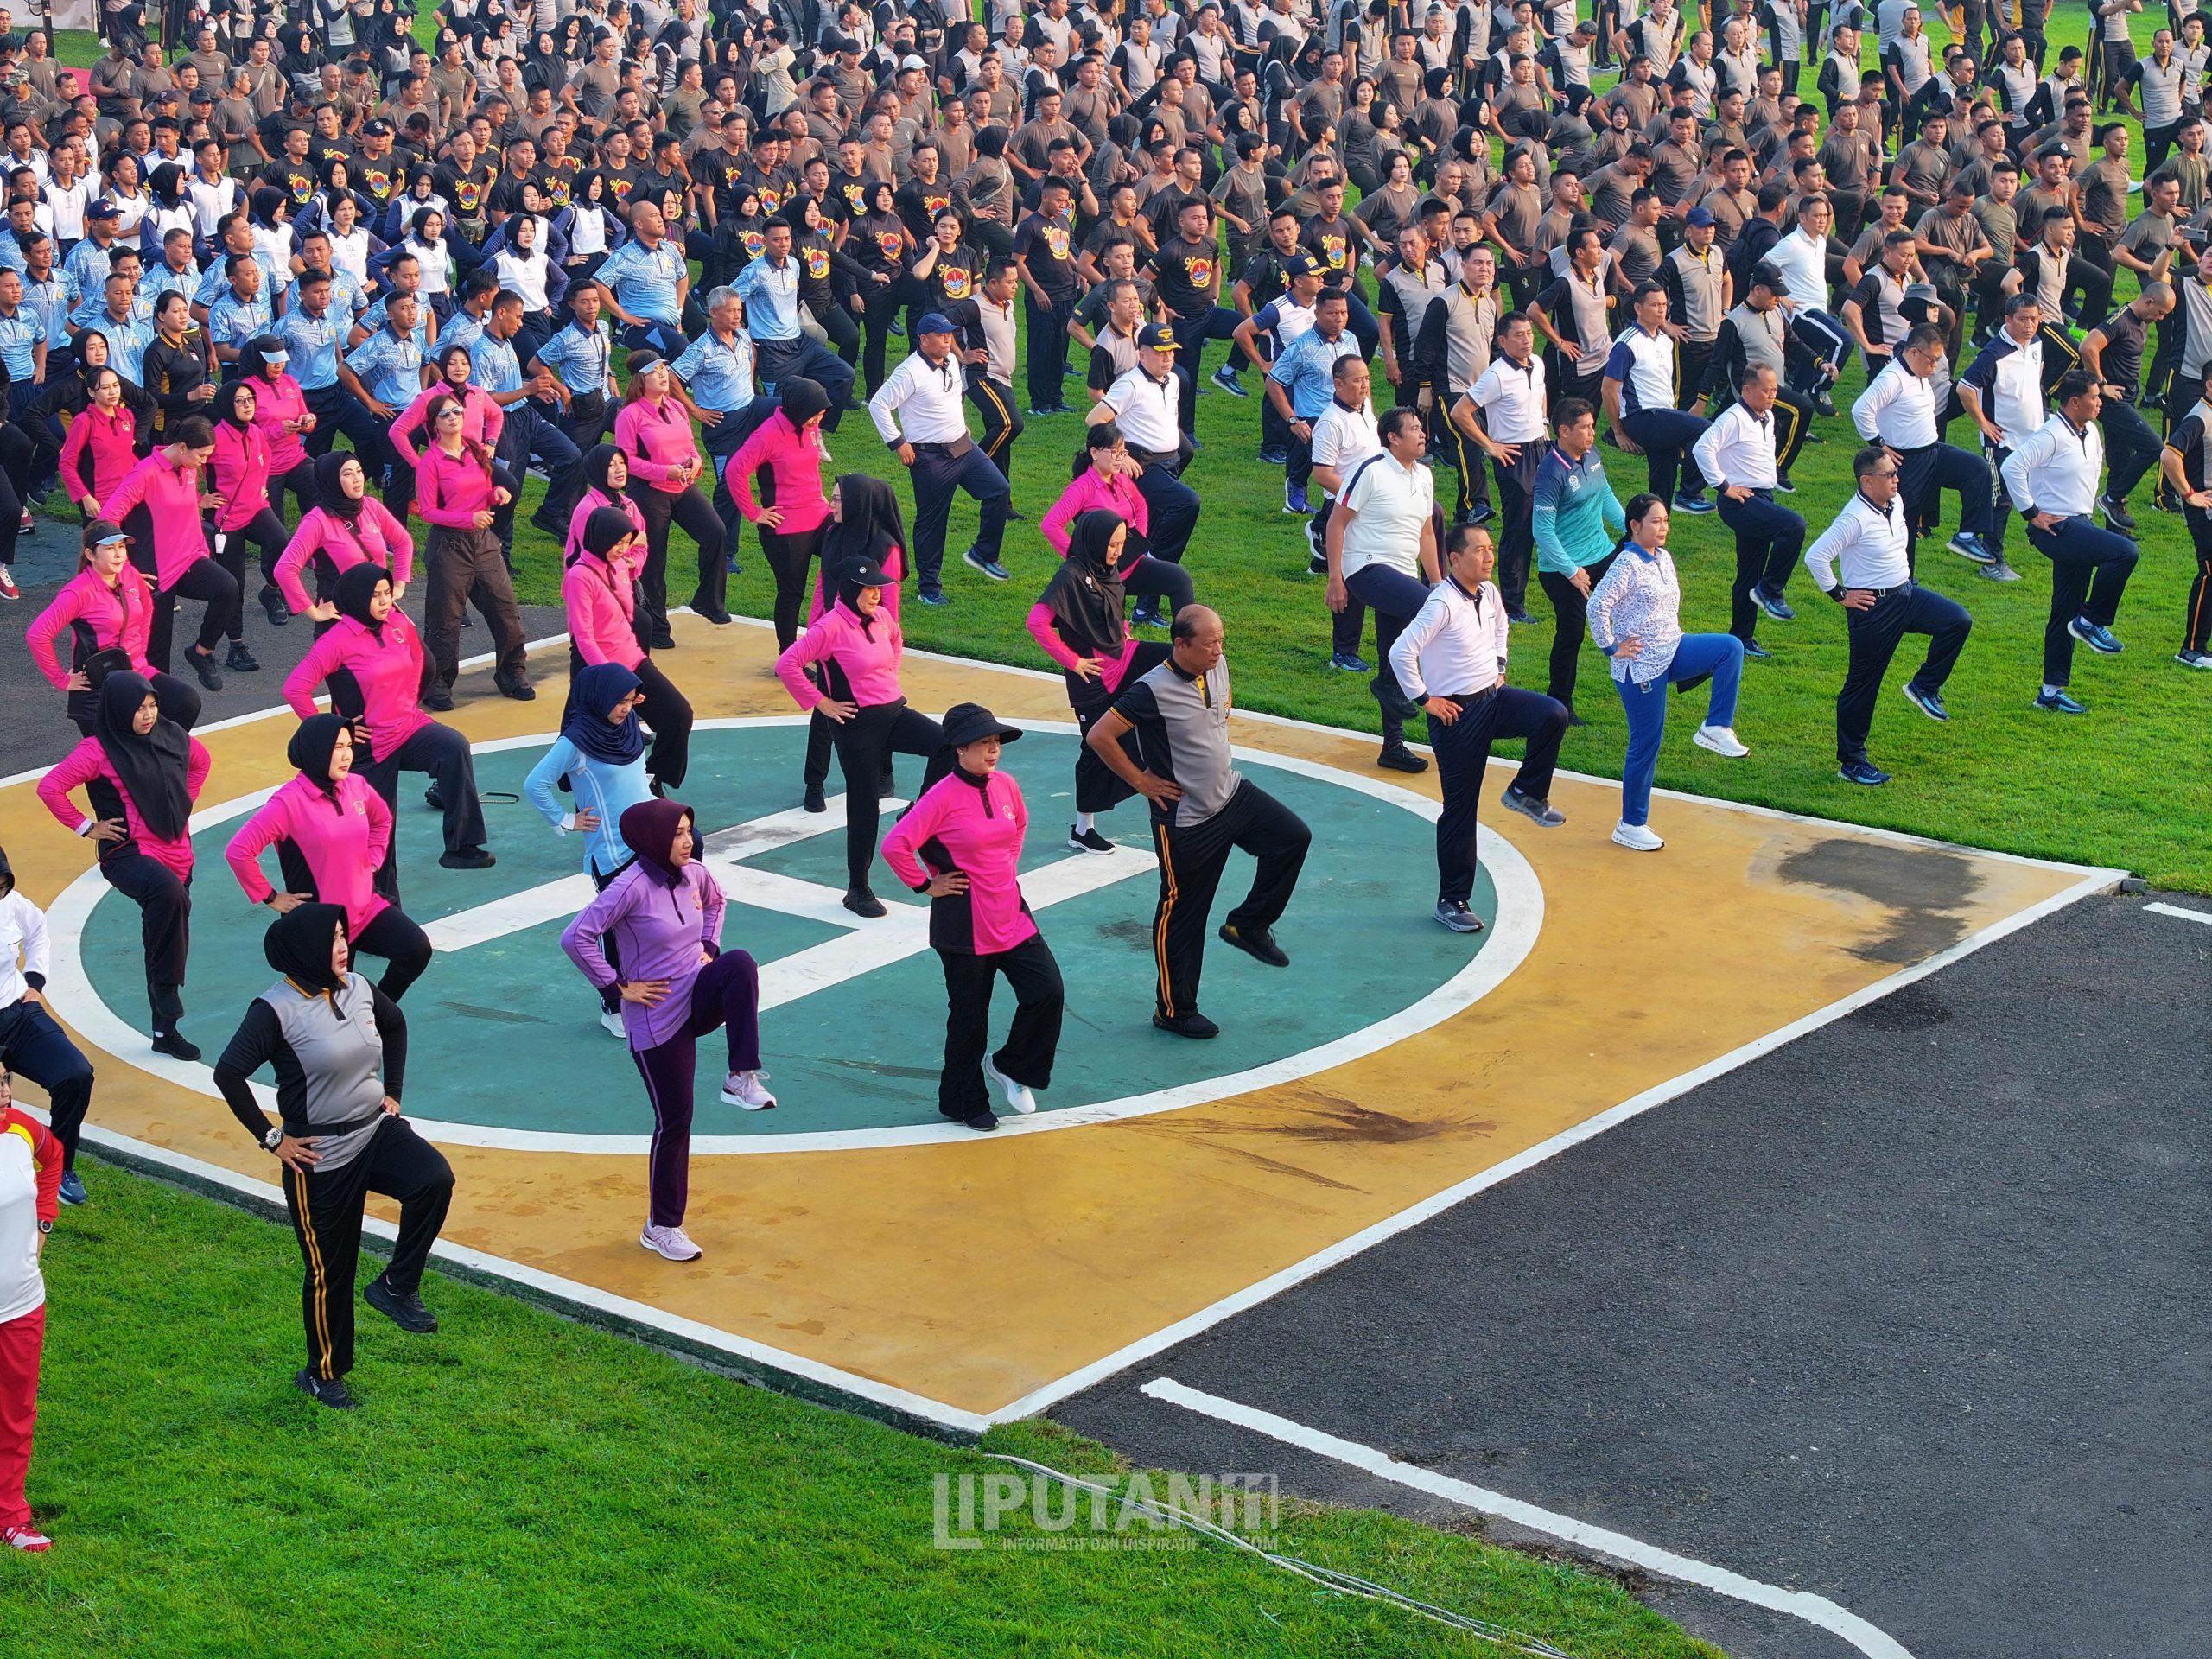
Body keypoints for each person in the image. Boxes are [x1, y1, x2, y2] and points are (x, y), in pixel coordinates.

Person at [212, 904, 455, 1412]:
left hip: (375, 1132)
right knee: (330, 1270)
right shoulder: (274, 1009)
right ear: (306, 950)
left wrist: (393, 1092)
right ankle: (323, 1373)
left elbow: (397, 1024)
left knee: (433, 1179)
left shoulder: (359, 987)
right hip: (319, 1157)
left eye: (345, 936)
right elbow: (229, 1074)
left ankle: (396, 1285)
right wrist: (273, 1138)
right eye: (334, 940)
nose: (345, 947)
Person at [560, 800, 775, 1265]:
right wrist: (618, 988)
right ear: (655, 839)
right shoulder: (629, 887)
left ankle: (741, 1076)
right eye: (678, 832)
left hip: (696, 995)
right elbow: (576, 937)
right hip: (656, 1017)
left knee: (738, 963)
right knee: (675, 1121)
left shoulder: (694, 873)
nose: (688, 840)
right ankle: (661, 1226)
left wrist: (708, 947)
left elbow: (718, 903)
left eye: (689, 830)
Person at [1084, 606, 1313, 1039]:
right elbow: (1100, 735)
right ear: (1181, 643)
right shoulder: (1151, 690)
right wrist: (1140, 780)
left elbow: (1221, 707)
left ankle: (1248, 924)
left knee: (1291, 838)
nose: (1218, 649)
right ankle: (1174, 1010)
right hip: (1187, 820)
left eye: (1221, 640)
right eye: (1208, 643)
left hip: (1232, 794)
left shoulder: (1218, 665)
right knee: (1183, 912)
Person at [882, 703, 1065, 1134]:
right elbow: (896, 844)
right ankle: (964, 1101)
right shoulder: (940, 797)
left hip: (1011, 910)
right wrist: (927, 886)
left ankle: (1010, 1064)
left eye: (996, 742)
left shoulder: (1006, 785)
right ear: (959, 749)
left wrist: (1004, 865)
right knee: (969, 1015)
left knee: (1047, 990)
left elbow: (1019, 825)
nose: (993, 750)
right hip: (964, 923)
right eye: (984, 742)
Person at [1389, 524, 1572, 934]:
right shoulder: (1441, 604)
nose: (1489, 557)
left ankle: (1526, 792)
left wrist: (1500, 666)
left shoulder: (1488, 592)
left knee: (1552, 714)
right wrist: (1426, 701)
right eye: (1479, 551)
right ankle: (1451, 901)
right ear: (1455, 559)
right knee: (1460, 810)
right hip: (1456, 717)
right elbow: (1401, 651)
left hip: (1493, 698)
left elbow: (1500, 627)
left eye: (1491, 549)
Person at [283, 564, 494, 884]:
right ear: (356, 598)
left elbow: (421, 664)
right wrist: (334, 734)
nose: (385, 602)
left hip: (408, 728)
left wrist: (408, 703)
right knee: (378, 829)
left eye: (386, 593)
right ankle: (382, 900)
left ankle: (461, 847)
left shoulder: (397, 623)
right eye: (375, 596)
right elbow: (295, 688)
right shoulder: (335, 640)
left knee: (454, 747)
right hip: (369, 747)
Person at [36, 670, 210, 1057]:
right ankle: (167, 1000)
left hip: (178, 850)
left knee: (167, 937)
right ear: (119, 710)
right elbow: (50, 787)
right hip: (127, 852)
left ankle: (165, 1034)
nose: (148, 715)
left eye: (152, 706)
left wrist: (184, 803)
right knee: (167, 896)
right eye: (139, 709)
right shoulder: (97, 751)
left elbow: (201, 763)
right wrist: (86, 827)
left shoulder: (173, 735)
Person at [773, 556, 944, 917]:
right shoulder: (829, 627)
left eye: (879, 588)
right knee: (864, 804)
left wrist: (889, 676)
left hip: (894, 712)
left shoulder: (881, 618)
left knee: (946, 746)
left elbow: (897, 641)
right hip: (856, 726)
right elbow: (787, 664)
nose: (877, 595)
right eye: (869, 589)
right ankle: (858, 889)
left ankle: (918, 813)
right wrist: (822, 703)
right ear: (850, 589)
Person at [224, 714, 434, 1001]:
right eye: (337, 748)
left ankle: (376, 1012)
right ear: (315, 750)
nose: (347, 755)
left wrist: (373, 859)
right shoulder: (287, 803)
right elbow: (239, 851)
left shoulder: (357, 786)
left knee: (416, 949)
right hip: (321, 925)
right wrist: (271, 897)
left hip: (364, 909)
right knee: (331, 1005)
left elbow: (382, 819)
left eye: (348, 746)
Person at [1586, 495, 1752, 852]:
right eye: (1656, 521)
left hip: (1673, 649)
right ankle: (1630, 824)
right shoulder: (1626, 564)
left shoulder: (1664, 557)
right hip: (1640, 666)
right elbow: (1597, 605)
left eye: (1665, 521)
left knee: (1730, 648)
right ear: (1635, 526)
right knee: (1646, 744)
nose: (1663, 527)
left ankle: (1715, 726)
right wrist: (1612, 647)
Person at [1804, 446, 1974, 787]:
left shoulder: (1895, 503)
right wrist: (1840, 595)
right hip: (1873, 609)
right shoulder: (1854, 518)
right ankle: (1852, 762)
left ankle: (1924, 686)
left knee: (1957, 620)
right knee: (1863, 684)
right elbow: (1816, 556)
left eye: (1896, 473)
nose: (1898, 479)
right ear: (1867, 482)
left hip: (1906, 595)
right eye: (1889, 475)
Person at [1028, 508, 1189, 851]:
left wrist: (1124, 631)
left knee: (1183, 661)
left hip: (1124, 657)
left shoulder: (1108, 567)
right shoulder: (1070, 575)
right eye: (1113, 544)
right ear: (1095, 541)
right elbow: (1037, 622)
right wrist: (1073, 662)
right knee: (1095, 749)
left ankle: (1180, 751)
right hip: (1095, 679)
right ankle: (1083, 829)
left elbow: (1113, 605)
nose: (1118, 551)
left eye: (1121, 543)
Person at [524, 661, 658, 1034]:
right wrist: (566, 819)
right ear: (600, 700)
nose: (626, 709)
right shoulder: (576, 741)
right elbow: (535, 784)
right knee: (615, 932)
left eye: (631, 701)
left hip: (647, 841)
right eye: (620, 702)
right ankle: (613, 1007)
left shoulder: (626, 724)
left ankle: (648, 992)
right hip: (611, 851)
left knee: (651, 923)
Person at [2001, 371, 2139, 714]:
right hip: (2056, 528)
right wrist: (2031, 512)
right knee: (2124, 552)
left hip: (2080, 523)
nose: (2100, 401)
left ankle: (2050, 691)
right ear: (2074, 402)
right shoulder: (2051, 434)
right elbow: (2012, 467)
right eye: (2095, 397)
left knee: (2064, 609)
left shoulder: (2090, 429)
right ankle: (2092, 620)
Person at [868, 311, 1011, 607]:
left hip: (963, 446)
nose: (948, 339)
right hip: (931, 459)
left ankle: (983, 554)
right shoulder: (909, 372)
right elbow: (879, 405)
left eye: (950, 334)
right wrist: (898, 443)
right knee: (933, 522)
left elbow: (953, 395)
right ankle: (929, 587)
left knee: (999, 490)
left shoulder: (953, 361)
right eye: (942, 335)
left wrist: (960, 423)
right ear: (923, 339)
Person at [1325, 405, 1439, 774]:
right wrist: (1335, 578)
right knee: (1425, 609)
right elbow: (1337, 523)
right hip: (1365, 567)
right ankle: (1389, 685)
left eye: (1422, 428)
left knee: (1395, 652)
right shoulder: (1370, 470)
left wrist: (1437, 584)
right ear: (1393, 437)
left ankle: (1393, 746)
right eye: (1414, 429)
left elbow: (1426, 534)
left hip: (1403, 575)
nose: (1422, 434)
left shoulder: (1424, 476)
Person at [562, 493, 693, 794]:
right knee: (584, 740)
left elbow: (628, 611)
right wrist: (616, 683)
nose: (622, 549)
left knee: (678, 714)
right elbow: (584, 636)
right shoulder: (579, 577)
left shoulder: (621, 564)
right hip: (597, 669)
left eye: (626, 542)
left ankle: (654, 777)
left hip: (631, 660)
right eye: (617, 542)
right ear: (599, 537)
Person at [99, 417, 238, 692]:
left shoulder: (187, 468)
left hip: (189, 561)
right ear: (183, 447)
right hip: (155, 575)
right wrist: (126, 568)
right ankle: (154, 716)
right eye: (202, 455)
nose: (205, 462)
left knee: (227, 588)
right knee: (157, 658)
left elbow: (174, 504)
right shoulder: (144, 474)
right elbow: (107, 521)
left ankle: (201, 651)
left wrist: (200, 505)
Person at [413, 391, 533, 708]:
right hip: (449, 546)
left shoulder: (475, 449)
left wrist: (496, 494)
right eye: (446, 414)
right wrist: (469, 517)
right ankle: (437, 685)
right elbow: (427, 512)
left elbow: (483, 489)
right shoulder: (430, 462)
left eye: (457, 411)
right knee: (445, 620)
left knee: (505, 610)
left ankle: (513, 674)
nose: (454, 417)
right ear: (434, 425)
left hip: (483, 543)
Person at [24, 523, 202, 734]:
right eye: (109, 548)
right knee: (115, 761)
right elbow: (37, 635)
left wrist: (139, 653)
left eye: (121, 546)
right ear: (90, 554)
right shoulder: (77, 593)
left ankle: (159, 754)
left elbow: (146, 609)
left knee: (187, 702)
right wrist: (61, 680)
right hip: (100, 687)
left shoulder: (128, 573)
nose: (118, 554)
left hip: (136, 673)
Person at [0, 848, 96, 1208]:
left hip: (16, 1010)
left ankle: (58, 1165)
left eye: (2, 886)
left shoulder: (11, 903)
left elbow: (38, 929)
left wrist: (36, 981)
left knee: (75, 1074)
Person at [1692, 364, 1808, 659]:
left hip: (1761, 498)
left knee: (1748, 572)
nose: (1772, 395)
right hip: (1741, 501)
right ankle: (1771, 589)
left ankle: (1741, 638)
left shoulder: (1766, 416)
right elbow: (1702, 448)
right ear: (1747, 390)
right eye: (1767, 390)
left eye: (1774, 389)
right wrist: (1723, 486)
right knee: (1793, 526)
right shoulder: (1733, 417)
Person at [614, 349, 730, 638]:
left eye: (664, 369)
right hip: (649, 492)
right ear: (641, 380)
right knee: (654, 560)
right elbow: (626, 460)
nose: (663, 375)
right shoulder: (629, 415)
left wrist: (697, 463)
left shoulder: (676, 407)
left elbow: (691, 446)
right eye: (655, 371)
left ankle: (708, 601)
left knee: (715, 532)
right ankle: (656, 627)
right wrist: (663, 471)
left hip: (683, 486)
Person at [1530, 398, 1628, 722]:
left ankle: (1657, 673)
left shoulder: (1591, 454)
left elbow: (1605, 494)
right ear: (1564, 431)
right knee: (1571, 633)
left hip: (1601, 553)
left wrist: (1634, 529)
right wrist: (1572, 571)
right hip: (1563, 568)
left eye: (1591, 426)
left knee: (1640, 603)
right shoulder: (1551, 472)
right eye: (1585, 427)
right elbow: (1541, 530)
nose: (1592, 433)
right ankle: (1559, 703)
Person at [0, 1055, 61, 1551]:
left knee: (15, 1416)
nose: (4, 1091)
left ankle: (11, 1516)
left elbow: (55, 1155)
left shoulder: (21, 1128)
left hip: (21, 1302)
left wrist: (44, 1220)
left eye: (5, 1079)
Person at [725, 377, 832, 648]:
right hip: (786, 528)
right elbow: (735, 470)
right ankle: (789, 655)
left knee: (849, 554)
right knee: (792, 591)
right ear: (798, 409)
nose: (818, 420)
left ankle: (836, 638)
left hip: (817, 515)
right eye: (815, 414)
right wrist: (753, 512)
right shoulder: (767, 435)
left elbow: (809, 465)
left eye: (821, 414)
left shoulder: (807, 425)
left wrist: (819, 494)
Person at [270, 453, 414, 626]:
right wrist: (314, 612)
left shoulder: (371, 505)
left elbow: (403, 542)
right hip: (343, 621)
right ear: (331, 480)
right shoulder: (317, 521)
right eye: (347, 474)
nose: (357, 479)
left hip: (378, 613)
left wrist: (398, 586)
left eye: (359, 471)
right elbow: (285, 569)